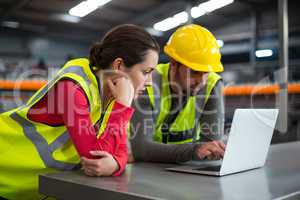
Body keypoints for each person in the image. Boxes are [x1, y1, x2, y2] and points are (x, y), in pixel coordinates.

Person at [0, 24, 159, 200]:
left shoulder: (114, 98)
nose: (150, 82)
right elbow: (94, 160)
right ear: (119, 66)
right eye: (146, 72)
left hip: (31, 190)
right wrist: (121, 107)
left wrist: (115, 164)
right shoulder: (72, 87)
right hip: (5, 174)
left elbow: (122, 152)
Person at [127, 24, 226, 163]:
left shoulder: (212, 85)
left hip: (185, 170)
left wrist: (198, 150)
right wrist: (194, 150)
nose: (201, 81)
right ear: (174, 64)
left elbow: (210, 145)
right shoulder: (147, 84)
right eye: (194, 72)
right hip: (144, 171)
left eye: (206, 73)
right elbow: (141, 149)